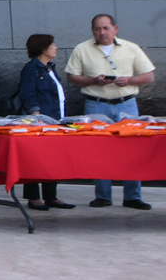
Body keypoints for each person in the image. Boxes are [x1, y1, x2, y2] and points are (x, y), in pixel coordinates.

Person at [64, 14, 156, 210]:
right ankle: (103, 196)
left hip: (126, 104)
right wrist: (93, 81)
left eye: (106, 28)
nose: (102, 32)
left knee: (132, 149)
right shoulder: (82, 49)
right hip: (96, 104)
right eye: (97, 29)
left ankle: (132, 197)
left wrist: (129, 80)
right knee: (99, 149)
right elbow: (72, 77)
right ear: (92, 31)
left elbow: (149, 76)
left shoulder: (131, 48)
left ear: (116, 28)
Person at [18, 34, 76, 211]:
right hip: (41, 122)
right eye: (52, 45)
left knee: (52, 158)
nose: (56, 47)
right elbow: (27, 94)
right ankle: (34, 197)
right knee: (35, 159)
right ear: (43, 48)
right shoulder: (31, 68)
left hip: (55, 120)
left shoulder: (50, 68)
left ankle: (51, 196)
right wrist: (37, 118)